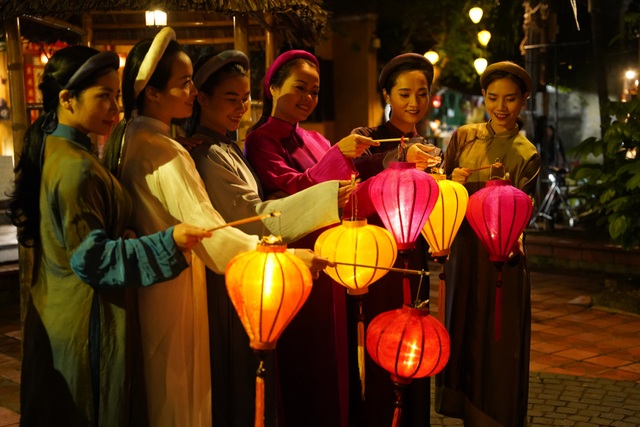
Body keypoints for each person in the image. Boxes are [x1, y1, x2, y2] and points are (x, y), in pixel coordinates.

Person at [103, 28, 330, 427]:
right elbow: (213, 230)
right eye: (185, 83)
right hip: (178, 283)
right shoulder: (166, 150)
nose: (192, 91)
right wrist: (286, 258)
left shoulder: (140, 139)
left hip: (164, 278)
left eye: (245, 98)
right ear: (153, 92)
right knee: (180, 390)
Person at [8, 46, 211, 426]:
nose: (115, 108)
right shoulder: (75, 168)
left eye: (117, 95)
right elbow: (92, 258)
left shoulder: (61, 146)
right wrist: (169, 242)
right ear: (67, 99)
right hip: (85, 319)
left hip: (61, 309)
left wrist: (125, 229)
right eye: (103, 96)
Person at [185, 49, 353, 426]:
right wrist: (328, 195)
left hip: (301, 262)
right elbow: (256, 216)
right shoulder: (227, 148)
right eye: (231, 98)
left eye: (244, 98)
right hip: (265, 266)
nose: (241, 107)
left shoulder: (231, 145)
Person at [435, 61, 541, 426]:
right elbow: (440, 191)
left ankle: (496, 417)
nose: (501, 106)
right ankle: (464, 408)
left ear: (524, 100)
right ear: (483, 96)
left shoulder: (526, 153)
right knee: (463, 328)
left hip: (501, 259)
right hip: (464, 253)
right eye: (493, 97)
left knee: (497, 343)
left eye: (510, 99)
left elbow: (525, 211)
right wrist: (452, 179)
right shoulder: (463, 137)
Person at [348, 52, 442, 427]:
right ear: (387, 93)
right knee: (383, 340)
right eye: (404, 93)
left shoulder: (429, 146)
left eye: (421, 93)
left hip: (415, 257)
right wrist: (401, 157)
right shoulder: (367, 139)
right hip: (378, 258)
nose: (414, 102)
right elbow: (359, 185)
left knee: (416, 338)